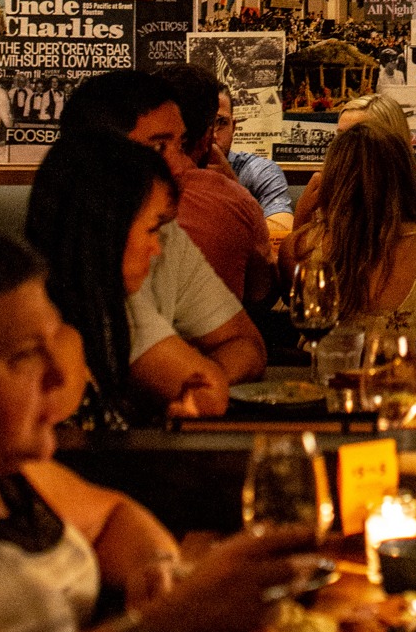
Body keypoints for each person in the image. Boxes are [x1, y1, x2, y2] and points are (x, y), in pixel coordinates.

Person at [0, 210, 313, 632]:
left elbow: (111, 516)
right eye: (25, 355)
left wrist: (159, 567)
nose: (60, 374)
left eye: (54, 340)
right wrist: (161, 627)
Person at [28, 132, 257, 423]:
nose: (157, 248)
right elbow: (33, 458)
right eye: (152, 229)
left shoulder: (90, 316)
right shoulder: (61, 339)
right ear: (109, 228)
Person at [57, 72, 267, 381]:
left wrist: (206, 382)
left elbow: (249, 345)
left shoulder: (164, 236)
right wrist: (199, 384)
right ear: (99, 156)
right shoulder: (80, 244)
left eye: (180, 146)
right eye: (158, 148)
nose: (181, 168)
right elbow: (165, 374)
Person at [280, 123, 416, 344]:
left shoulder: (300, 247)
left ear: (333, 180)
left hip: (327, 378)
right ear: (405, 180)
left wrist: (303, 215)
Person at [158, 65, 275, 305]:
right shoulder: (236, 200)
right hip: (212, 338)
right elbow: (262, 292)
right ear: (207, 136)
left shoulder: (105, 190)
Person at [293, 93, 416, 231]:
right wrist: (302, 214)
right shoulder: (322, 197)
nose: (345, 146)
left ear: (390, 144)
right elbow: (298, 260)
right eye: (341, 137)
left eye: (358, 137)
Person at [213, 85, 294, 254]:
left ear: (233, 127)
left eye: (221, 123)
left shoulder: (257, 171)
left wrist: (231, 183)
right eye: (204, 124)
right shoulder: (170, 172)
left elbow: (280, 238)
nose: (213, 135)